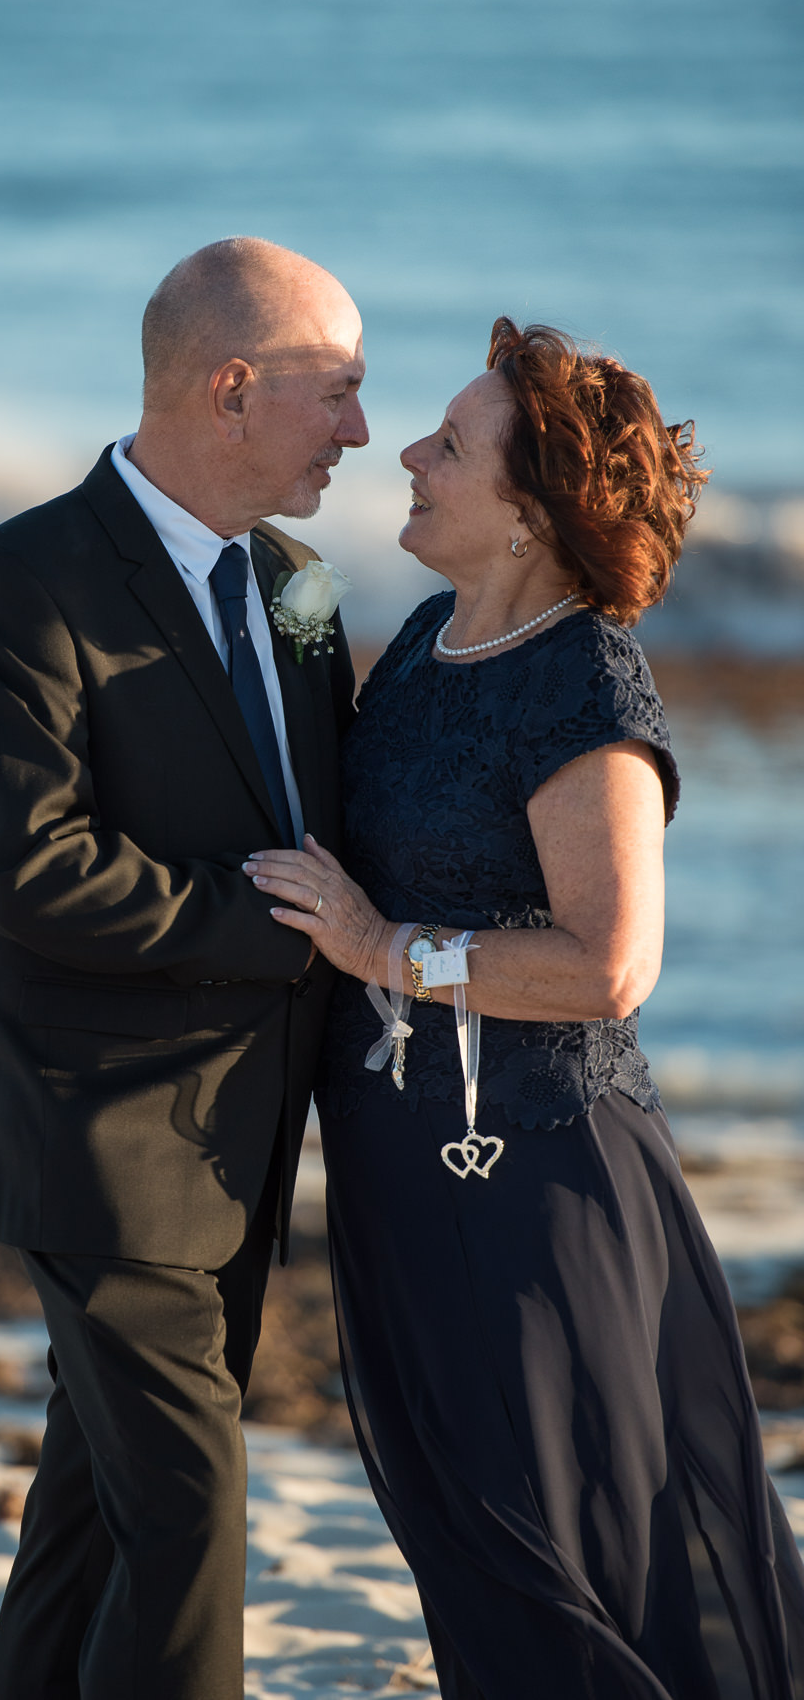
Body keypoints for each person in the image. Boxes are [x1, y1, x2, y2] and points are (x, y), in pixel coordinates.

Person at [245, 319, 804, 1698]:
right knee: (467, 1543)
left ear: (534, 513)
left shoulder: (586, 681)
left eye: (453, 443)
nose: (411, 456)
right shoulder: (432, 638)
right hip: (399, 1174)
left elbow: (610, 963)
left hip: (534, 1185)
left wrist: (386, 948)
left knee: (561, 1560)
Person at [0, 236, 367, 1700]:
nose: (361, 432)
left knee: (97, 1505)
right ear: (232, 387)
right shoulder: (17, 583)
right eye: (339, 391)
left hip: (248, 1132)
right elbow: (35, 869)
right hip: (101, 1128)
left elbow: (331, 814)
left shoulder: (301, 587)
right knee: (190, 1506)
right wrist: (285, 930)